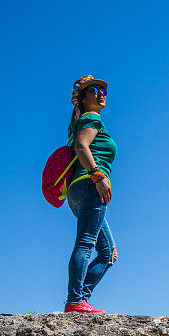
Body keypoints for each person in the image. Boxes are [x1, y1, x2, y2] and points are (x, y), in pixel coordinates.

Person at [64, 74, 117, 314]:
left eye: (102, 91)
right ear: (83, 99)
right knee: (85, 244)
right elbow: (81, 146)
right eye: (94, 91)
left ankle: (80, 299)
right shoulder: (91, 118)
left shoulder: (86, 118)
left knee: (108, 252)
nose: (100, 94)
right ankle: (75, 301)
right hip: (90, 186)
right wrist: (97, 176)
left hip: (79, 191)